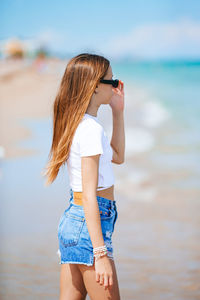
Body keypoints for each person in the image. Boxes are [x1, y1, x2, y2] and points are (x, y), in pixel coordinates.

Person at [42, 53, 125, 300]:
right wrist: (100, 255)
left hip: (74, 222)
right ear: (95, 85)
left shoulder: (79, 123)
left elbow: (118, 156)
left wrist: (118, 112)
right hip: (90, 226)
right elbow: (90, 196)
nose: (116, 85)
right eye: (111, 80)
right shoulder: (90, 129)